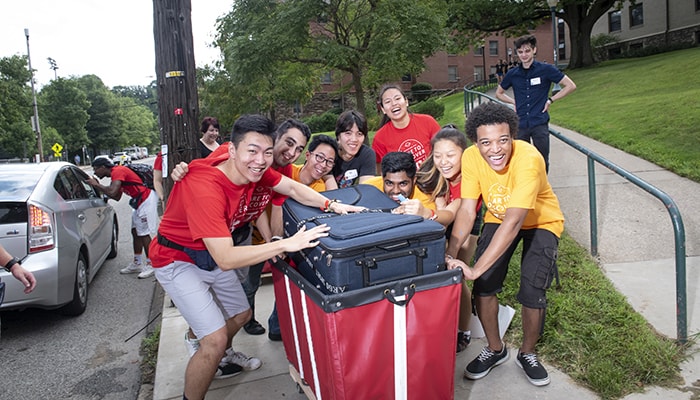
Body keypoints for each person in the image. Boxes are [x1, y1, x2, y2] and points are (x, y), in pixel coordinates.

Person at [149, 114, 362, 400]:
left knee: (242, 313)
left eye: (266, 153)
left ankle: (220, 356)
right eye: (252, 151)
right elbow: (225, 257)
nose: (260, 160)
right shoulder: (206, 186)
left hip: (213, 251)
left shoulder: (257, 169)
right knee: (213, 339)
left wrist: (332, 204)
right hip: (177, 257)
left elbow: (291, 188)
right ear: (232, 150)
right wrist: (285, 244)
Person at [445, 102, 564, 387]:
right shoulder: (471, 158)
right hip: (498, 217)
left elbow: (514, 222)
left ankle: (528, 353)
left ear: (512, 136)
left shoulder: (529, 158)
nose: (495, 149)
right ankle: (496, 349)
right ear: (475, 142)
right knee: (485, 285)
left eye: (503, 140)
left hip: (540, 221)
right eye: (486, 142)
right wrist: (450, 253)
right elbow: (466, 210)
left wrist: (474, 268)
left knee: (532, 290)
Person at [171, 119, 313, 340]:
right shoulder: (231, 155)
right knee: (219, 302)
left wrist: (272, 241)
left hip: (244, 231)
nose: (291, 152)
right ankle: (204, 341)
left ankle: (225, 343)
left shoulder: (278, 170)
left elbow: (270, 205)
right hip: (212, 237)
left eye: (299, 149)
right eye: (289, 142)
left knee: (238, 297)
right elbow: (202, 173)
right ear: (276, 138)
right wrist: (182, 171)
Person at [416, 125, 484, 352]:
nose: (443, 161)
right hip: (444, 218)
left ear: (463, 153)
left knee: (457, 274)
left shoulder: (469, 178)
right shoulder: (439, 174)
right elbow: (442, 207)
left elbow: (454, 212)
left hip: (468, 221)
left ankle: (464, 329)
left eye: (450, 155)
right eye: (437, 155)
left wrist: (431, 215)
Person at [495, 35, 577, 173]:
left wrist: (551, 100)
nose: (524, 55)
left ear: (534, 50)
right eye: (520, 52)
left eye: (527, 51)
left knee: (542, 160)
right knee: (521, 161)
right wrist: (513, 101)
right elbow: (499, 93)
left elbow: (570, 86)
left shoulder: (546, 69)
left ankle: (542, 191)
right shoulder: (512, 73)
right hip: (520, 125)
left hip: (539, 123)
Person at [87, 157, 159, 279]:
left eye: (95, 169)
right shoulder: (116, 175)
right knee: (135, 231)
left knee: (143, 233)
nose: (94, 172)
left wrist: (97, 185)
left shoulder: (118, 171)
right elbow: (116, 196)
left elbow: (112, 191)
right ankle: (137, 262)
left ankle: (152, 263)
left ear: (103, 167)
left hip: (146, 200)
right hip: (139, 201)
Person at [372, 84, 440, 173]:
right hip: (403, 185)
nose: (394, 104)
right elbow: (381, 169)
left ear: (406, 101)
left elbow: (443, 150)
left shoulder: (428, 122)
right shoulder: (380, 138)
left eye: (397, 98)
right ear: (383, 109)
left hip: (432, 181)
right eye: (388, 102)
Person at [363, 151, 436, 215]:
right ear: (382, 177)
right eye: (389, 183)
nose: (396, 191)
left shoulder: (425, 203)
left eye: (403, 184)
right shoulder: (368, 188)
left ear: (414, 180)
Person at [331, 110, 376, 188]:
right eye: (348, 133)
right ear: (338, 136)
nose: (354, 139)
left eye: (359, 134)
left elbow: (366, 190)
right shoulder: (327, 151)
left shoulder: (366, 154)